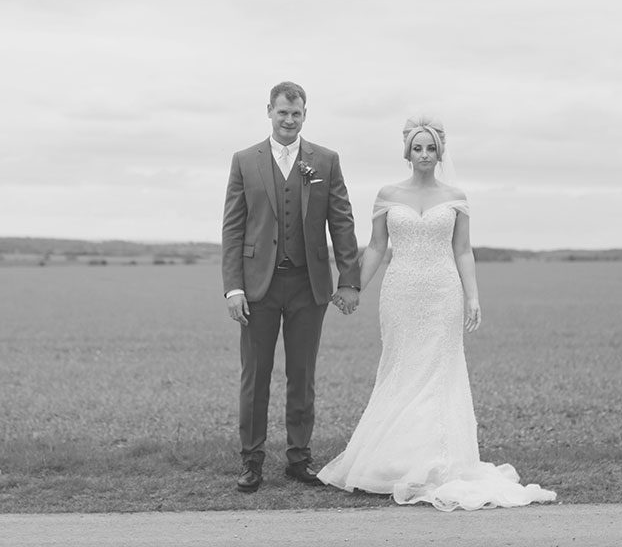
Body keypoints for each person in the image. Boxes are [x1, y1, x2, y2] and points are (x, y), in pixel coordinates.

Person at [317, 116, 556, 511]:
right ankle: (394, 461)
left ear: (440, 152)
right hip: (400, 294)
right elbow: (376, 247)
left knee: (439, 372)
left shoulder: (456, 196)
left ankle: (438, 463)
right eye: (417, 148)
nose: (424, 154)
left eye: (431, 148)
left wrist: (473, 297)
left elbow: (463, 249)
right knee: (401, 369)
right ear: (407, 152)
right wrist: (353, 286)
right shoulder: (387, 194)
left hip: (444, 293)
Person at [222, 81, 361, 492]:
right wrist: (233, 287)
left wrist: (349, 280)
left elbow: (342, 221)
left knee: (302, 375)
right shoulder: (245, 160)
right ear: (269, 111)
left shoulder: (326, 160)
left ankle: (299, 459)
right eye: (282, 112)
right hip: (257, 287)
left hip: (308, 284)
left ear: (305, 114)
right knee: (255, 376)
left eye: (296, 113)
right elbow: (232, 227)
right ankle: (252, 461)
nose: (289, 120)